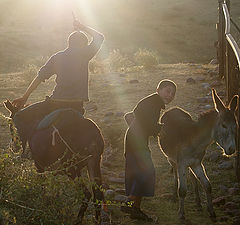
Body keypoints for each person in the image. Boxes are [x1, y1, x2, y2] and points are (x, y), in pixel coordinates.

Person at [11, 20, 104, 150]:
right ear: (83, 44)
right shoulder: (84, 54)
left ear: (69, 43)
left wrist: (25, 97)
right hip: (77, 107)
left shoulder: (57, 57)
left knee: (19, 117)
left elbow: (39, 77)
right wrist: (82, 26)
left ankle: (24, 152)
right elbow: (100, 37)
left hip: (55, 104)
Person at [121, 79, 177, 221]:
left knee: (140, 172)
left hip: (136, 139)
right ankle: (129, 202)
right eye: (167, 91)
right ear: (158, 89)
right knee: (147, 171)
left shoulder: (154, 102)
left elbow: (136, 116)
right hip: (136, 141)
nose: (170, 95)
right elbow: (146, 122)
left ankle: (135, 209)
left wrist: (156, 128)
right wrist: (161, 128)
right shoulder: (153, 102)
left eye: (173, 93)